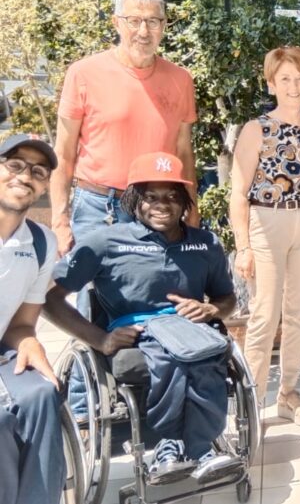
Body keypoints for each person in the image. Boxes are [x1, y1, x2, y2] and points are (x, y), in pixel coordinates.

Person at [44, 152, 238, 483]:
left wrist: (212, 309)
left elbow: (228, 299)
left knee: (207, 355)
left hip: (190, 329)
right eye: (151, 197)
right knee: (170, 358)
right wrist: (99, 339)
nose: (162, 205)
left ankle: (201, 447)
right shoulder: (106, 242)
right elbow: (49, 299)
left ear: (184, 203)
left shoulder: (205, 243)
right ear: (135, 200)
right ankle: (171, 446)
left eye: (172, 197)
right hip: (137, 330)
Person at [50, 0, 198, 256]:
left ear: (163, 26)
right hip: (97, 208)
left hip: (158, 207)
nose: (144, 31)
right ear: (116, 23)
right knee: (93, 297)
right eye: (134, 21)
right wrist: (59, 220)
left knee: (155, 294)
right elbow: (64, 151)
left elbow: (184, 152)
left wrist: (193, 210)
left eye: (153, 21)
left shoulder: (181, 80)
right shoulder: (83, 73)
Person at [231, 46, 300, 425]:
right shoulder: (257, 128)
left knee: (297, 313)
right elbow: (239, 193)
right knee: (264, 314)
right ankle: (251, 402)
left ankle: (288, 393)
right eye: (285, 79)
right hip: (266, 221)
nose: (294, 86)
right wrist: (243, 246)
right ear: (271, 83)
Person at [0, 134, 63, 504]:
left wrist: (30, 343)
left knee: (43, 393)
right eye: (15, 165)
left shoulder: (42, 242)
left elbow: (22, 323)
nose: (25, 176)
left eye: (37, 171)